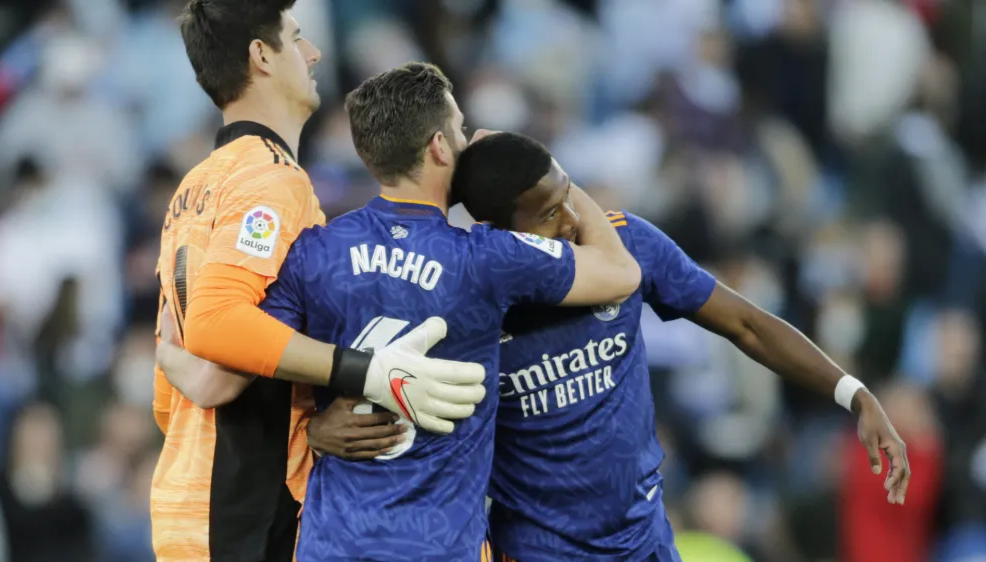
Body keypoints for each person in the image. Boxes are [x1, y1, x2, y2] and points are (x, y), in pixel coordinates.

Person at [311, 132, 913, 562]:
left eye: (569, 195)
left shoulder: (625, 246)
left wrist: (855, 394)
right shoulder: (466, 295)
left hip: (645, 539)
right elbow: (378, 384)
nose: (574, 220)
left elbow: (745, 323)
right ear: (501, 231)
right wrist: (313, 428)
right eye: (548, 213)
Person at [256, 61, 642, 562]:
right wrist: (534, 162)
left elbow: (256, 358)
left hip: (333, 544)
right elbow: (619, 271)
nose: (467, 143)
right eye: (460, 131)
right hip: (436, 546)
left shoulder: (313, 251)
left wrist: (311, 428)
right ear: (439, 147)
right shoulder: (486, 257)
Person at [151, 3, 485, 561]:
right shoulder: (269, 180)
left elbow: (184, 382)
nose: (314, 53)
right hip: (244, 508)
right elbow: (217, 328)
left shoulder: (196, 186)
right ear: (261, 56)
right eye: (297, 37)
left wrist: (173, 360)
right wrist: (369, 373)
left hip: (189, 492)